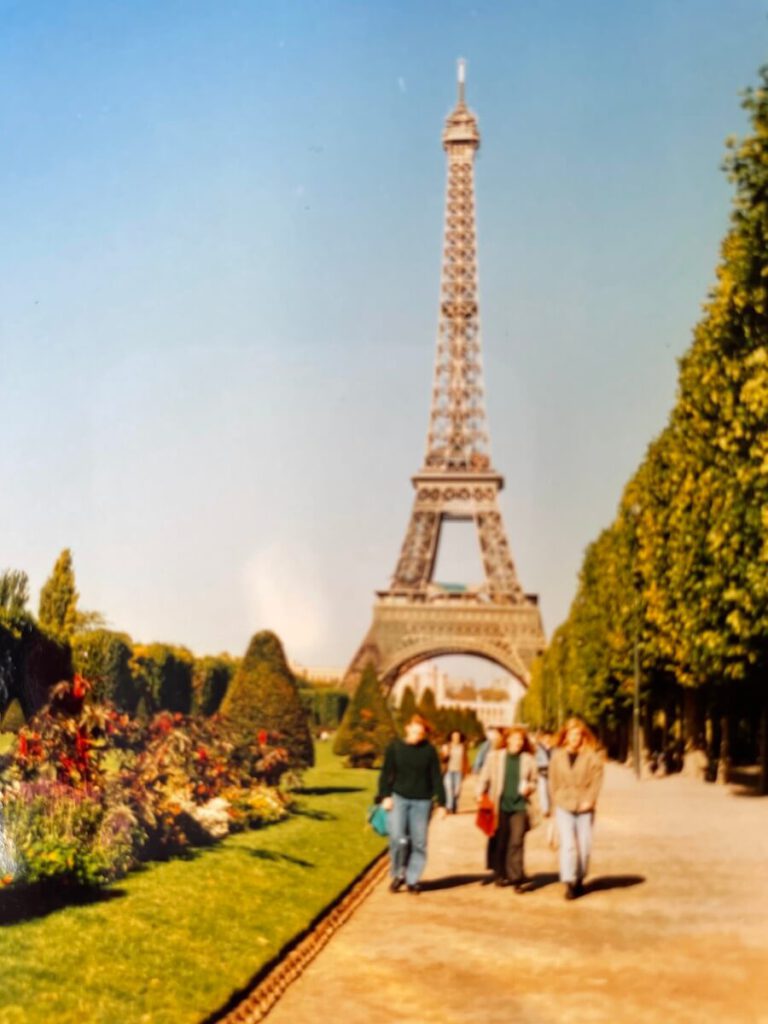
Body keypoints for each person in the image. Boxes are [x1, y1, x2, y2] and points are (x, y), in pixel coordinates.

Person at [378, 714, 447, 893]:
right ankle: (398, 874)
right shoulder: (395, 748)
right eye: (414, 732)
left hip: (422, 801)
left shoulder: (429, 751)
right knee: (399, 839)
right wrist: (385, 796)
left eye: (420, 734)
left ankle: (412, 878)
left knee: (419, 843)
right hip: (400, 798)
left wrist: (442, 803)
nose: (417, 736)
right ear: (407, 729)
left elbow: (436, 777)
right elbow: (386, 774)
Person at [477, 726, 539, 892]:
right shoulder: (495, 757)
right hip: (500, 804)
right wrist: (479, 793)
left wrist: (530, 787)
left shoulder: (528, 759)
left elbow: (535, 781)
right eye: (515, 738)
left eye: (521, 739)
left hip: (519, 805)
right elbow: (485, 776)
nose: (518, 742)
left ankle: (516, 877)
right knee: (501, 839)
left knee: (517, 840)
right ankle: (500, 872)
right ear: (508, 739)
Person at [549, 717, 604, 900]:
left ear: (583, 736)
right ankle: (569, 881)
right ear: (565, 736)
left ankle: (580, 876)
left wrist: (590, 800)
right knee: (568, 845)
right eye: (571, 734)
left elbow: (597, 781)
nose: (575, 738)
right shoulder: (557, 756)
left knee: (585, 845)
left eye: (578, 734)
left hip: (584, 806)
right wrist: (555, 801)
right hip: (564, 804)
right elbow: (552, 781)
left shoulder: (592, 757)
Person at [441, 730, 469, 813]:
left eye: (457, 736)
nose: (456, 738)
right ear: (451, 737)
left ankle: (454, 806)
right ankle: (449, 807)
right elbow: (442, 759)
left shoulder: (462, 747)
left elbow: (465, 760)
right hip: (448, 771)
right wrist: (445, 754)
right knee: (449, 788)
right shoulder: (447, 746)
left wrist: (466, 770)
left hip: (458, 771)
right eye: (454, 736)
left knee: (457, 791)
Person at [534, 730, 552, 817]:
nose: (547, 739)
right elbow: (535, 760)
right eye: (545, 738)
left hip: (551, 773)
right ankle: (545, 809)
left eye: (549, 738)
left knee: (550, 791)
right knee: (543, 790)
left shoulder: (553, 748)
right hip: (541, 772)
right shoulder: (538, 748)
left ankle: (550, 806)